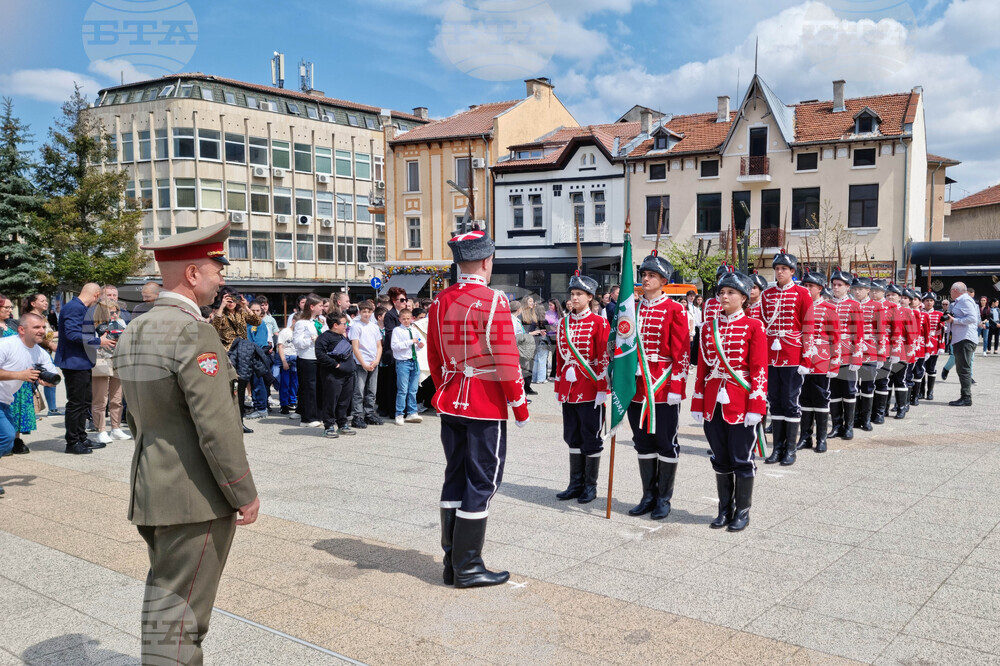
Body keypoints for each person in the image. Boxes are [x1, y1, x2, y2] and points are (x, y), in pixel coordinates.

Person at [114, 221, 258, 663]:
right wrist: (242, 490)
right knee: (181, 623)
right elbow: (215, 425)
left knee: (164, 607)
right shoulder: (194, 331)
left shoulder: (138, 327)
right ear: (192, 275)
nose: (221, 279)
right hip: (194, 497)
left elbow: (136, 417)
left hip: (153, 487)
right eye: (217, 269)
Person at [427, 229, 529, 589]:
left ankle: (452, 562)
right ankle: (468, 566)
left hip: (451, 398)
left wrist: (445, 389)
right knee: (483, 480)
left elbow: (435, 356)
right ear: (487, 261)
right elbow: (505, 358)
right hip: (484, 403)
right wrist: (519, 405)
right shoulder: (494, 300)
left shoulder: (440, 301)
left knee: (455, 475)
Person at [691, 270, 767, 532]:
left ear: (743, 298)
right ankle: (724, 510)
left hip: (741, 400)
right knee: (720, 458)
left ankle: (742, 512)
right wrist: (697, 402)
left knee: (742, 459)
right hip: (713, 401)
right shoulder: (707, 327)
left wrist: (757, 406)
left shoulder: (754, 326)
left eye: (730, 292)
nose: (724, 296)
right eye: (721, 292)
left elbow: (758, 369)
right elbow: (702, 368)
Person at [627, 252, 690, 520]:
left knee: (665, 441)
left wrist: (677, 386)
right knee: (642, 441)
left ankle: (664, 498)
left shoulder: (676, 310)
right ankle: (648, 495)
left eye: (651, 275)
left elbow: (682, 352)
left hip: (662, 386)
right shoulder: (632, 308)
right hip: (637, 386)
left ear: (663, 280)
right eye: (643, 274)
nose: (645, 279)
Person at [553, 273, 610, 505]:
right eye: (572, 294)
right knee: (572, 436)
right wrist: (558, 387)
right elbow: (559, 359)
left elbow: (603, 358)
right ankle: (574, 484)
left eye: (579, 294)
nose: (574, 298)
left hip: (589, 388)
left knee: (590, 437)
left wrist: (601, 389)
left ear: (589, 297)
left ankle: (590, 486)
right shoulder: (564, 323)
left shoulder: (599, 323)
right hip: (569, 388)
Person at [760, 251, 813, 465]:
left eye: (784, 269)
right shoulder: (767, 295)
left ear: (792, 271)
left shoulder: (802, 294)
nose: (779, 272)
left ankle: (790, 450)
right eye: (777, 269)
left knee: (791, 402)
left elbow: (808, 327)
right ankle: (778, 449)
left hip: (792, 354)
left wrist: (806, 360)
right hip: (772, 356)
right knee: (775, 402)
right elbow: (763, 325)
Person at [1, 313, 63, 491]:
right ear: (21, 330)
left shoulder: (39, 352)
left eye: (43, 327)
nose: (42, 331)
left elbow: (52, 374)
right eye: (36, 327)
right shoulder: (6, 345)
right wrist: (19, 375)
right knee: (6, 437)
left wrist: (47, 380)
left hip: (5, 399)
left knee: (6, 439)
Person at [55, 282, 114, 454]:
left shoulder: (79, 307)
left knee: (84, 402)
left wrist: (97, 334)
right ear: (96, 295)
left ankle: (81, 437)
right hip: (74, 363)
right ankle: (72, 442)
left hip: (82, 361)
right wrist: (98, 341)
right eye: (101, 297)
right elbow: (72, 334)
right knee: (76, 404)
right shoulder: (74, 308)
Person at [795, 271, 841, 453]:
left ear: (819, 289)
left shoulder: (829, 309)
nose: (806, 290)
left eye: (810, 287)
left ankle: (821, 438)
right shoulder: (799, 306)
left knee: (821, 398)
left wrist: (835, 364)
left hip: (821, 360)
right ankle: (805, 437)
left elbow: (835, 338)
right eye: (804, 286)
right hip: (801, 359)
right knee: (804, 398)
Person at [1, 296, 43, 455]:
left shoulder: (14, 324)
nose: (9, 310)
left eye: (11, 308)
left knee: (19, 408)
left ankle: (16, 439)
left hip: (22, 375)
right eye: (6, 307)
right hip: (5, 375)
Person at [91, 300, 130, 445]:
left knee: (117, 398)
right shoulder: (93, 325)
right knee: (100, 399)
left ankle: (116, 428)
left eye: (116, 311)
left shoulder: (120, 323)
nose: (114, 314)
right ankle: (100, 430)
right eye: (111, 312)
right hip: (101, 360)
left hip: (117, 360)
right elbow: (89, 342)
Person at [315, 313, 358, 438]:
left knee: (344, 401)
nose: (346, 326)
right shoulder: (324, 338)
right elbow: (320, 354)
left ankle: (342, 423)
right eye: (344, 324)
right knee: (331, 400)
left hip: (348, 374)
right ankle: (329, 426)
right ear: (335, 325)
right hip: (333, 375)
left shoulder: (342, 337)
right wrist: (335, 364)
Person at [850, 276, 882, 433]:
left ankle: (866, 418)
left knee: (868, 386)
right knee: (853, 386)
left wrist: (882, 355)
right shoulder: (849, 305)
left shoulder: (876, 306)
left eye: (860, 289)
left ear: (868, 290)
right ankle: (854, 417)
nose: (857, 292)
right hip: (852, 351)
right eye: (855, 289)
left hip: (870, 350)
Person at [23, 293, 61, 416]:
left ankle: (52, 408)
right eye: (42, 300)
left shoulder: (43, 317)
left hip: (44, 351)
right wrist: (50, 345)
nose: (46, 303)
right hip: (36, 351)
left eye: (46, 300)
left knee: (45, 377)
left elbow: (48, 334)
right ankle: (49, 408)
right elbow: (36, 336)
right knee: (45, 376)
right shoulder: (30, 317)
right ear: (33, 303)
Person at [292, 294, 326, 427]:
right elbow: (297, 342)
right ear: (312, 307)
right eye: (320, 306)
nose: (322, 308)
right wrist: (311, 339)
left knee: (319, 388)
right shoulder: (301, 323)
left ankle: (318, 415)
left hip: (319, 358)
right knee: (309, 388)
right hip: (307, 358)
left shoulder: (320, 321)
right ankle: (307, 418)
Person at [349, 300, 383, 428]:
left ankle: (369, 413)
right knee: (359, 391)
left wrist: (377, 360)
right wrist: (363, 362)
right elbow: (355, 347)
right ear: (360, 312)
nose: (367, 314)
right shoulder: (356, 326)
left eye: (369, 312)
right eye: (364, 312)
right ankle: (357, 415)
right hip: (360, 363)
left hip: (373, 362)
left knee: (372, 390)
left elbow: (379, 346)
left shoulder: (374, 327)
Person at [390, 308, 425, 426]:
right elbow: (395, 346)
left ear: (411, 319)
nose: (406, 321)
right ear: (399, 319)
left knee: (413, 389)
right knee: (402, 390)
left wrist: (419, 345)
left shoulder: (413, 329)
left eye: (408, 319)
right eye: (403, 319)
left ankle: (412, 411)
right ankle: (399, 413)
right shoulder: (397, 330)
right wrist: (410, 341)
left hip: (414, 361)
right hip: (403, 362)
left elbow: (418, 342)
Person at [945, 282, 977, 406]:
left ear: (955, 290)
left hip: (965, 339)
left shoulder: (965, 300)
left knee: (964, 369)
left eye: (951, 290)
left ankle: (966, 397)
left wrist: (955, 320)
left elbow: (972, 318)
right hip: (961, 338)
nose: (950, 292)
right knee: (962, 368)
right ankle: (965, 396)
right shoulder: (961, 301)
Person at [869, 280, 893, 424]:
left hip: (885, 346)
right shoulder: (866, 305)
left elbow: (895, 330)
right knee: (866, 382)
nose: (873, 293)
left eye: (877, 290)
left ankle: (880, 411)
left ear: (883, 291)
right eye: (872, 290)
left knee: (882, 380)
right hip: (868, 348)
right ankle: (867, 411)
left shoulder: (891, 307)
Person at [243, 300, 272, 420]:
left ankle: (261, 408)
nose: (254, 312)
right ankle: (257, 406)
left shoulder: (260, 324)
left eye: (257, 310)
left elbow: (259, 344)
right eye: (252, 310)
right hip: (248, 356)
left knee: (258, 383)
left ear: (261, 312)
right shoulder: (247, 323)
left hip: (257, 357)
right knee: (254, 383)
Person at [919, 292, 945, 401]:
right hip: (922, 345)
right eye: (926, 300)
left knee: (931, 368)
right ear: (923, 302)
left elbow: (942, 332)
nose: (929, 303)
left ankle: (930, 391)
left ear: (934, 302)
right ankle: (921, 392)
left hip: (934, 344)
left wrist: (941, 346)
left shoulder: (939, 314)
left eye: (931, 301)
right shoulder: (919, 313)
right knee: (921, 369)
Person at [522, 296, 549, 386]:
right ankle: (538, 379)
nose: (532, 303)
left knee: (534, 361)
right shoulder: (522, 314)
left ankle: (531, 380)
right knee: (538, 360)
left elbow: (532, 328)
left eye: (532, 301)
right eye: (530, 301)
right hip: (531, 340)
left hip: (533, 340)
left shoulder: (533, 315)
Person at [275, 320, 298, 416]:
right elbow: (280, 346)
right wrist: (284, 361)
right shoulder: (285, 331)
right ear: (293, 321)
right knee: (285, 382)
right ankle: (284, 404)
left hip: (296, 357)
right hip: (286, 357)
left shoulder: (300, 331)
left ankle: (292, 401)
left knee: (295, 382)